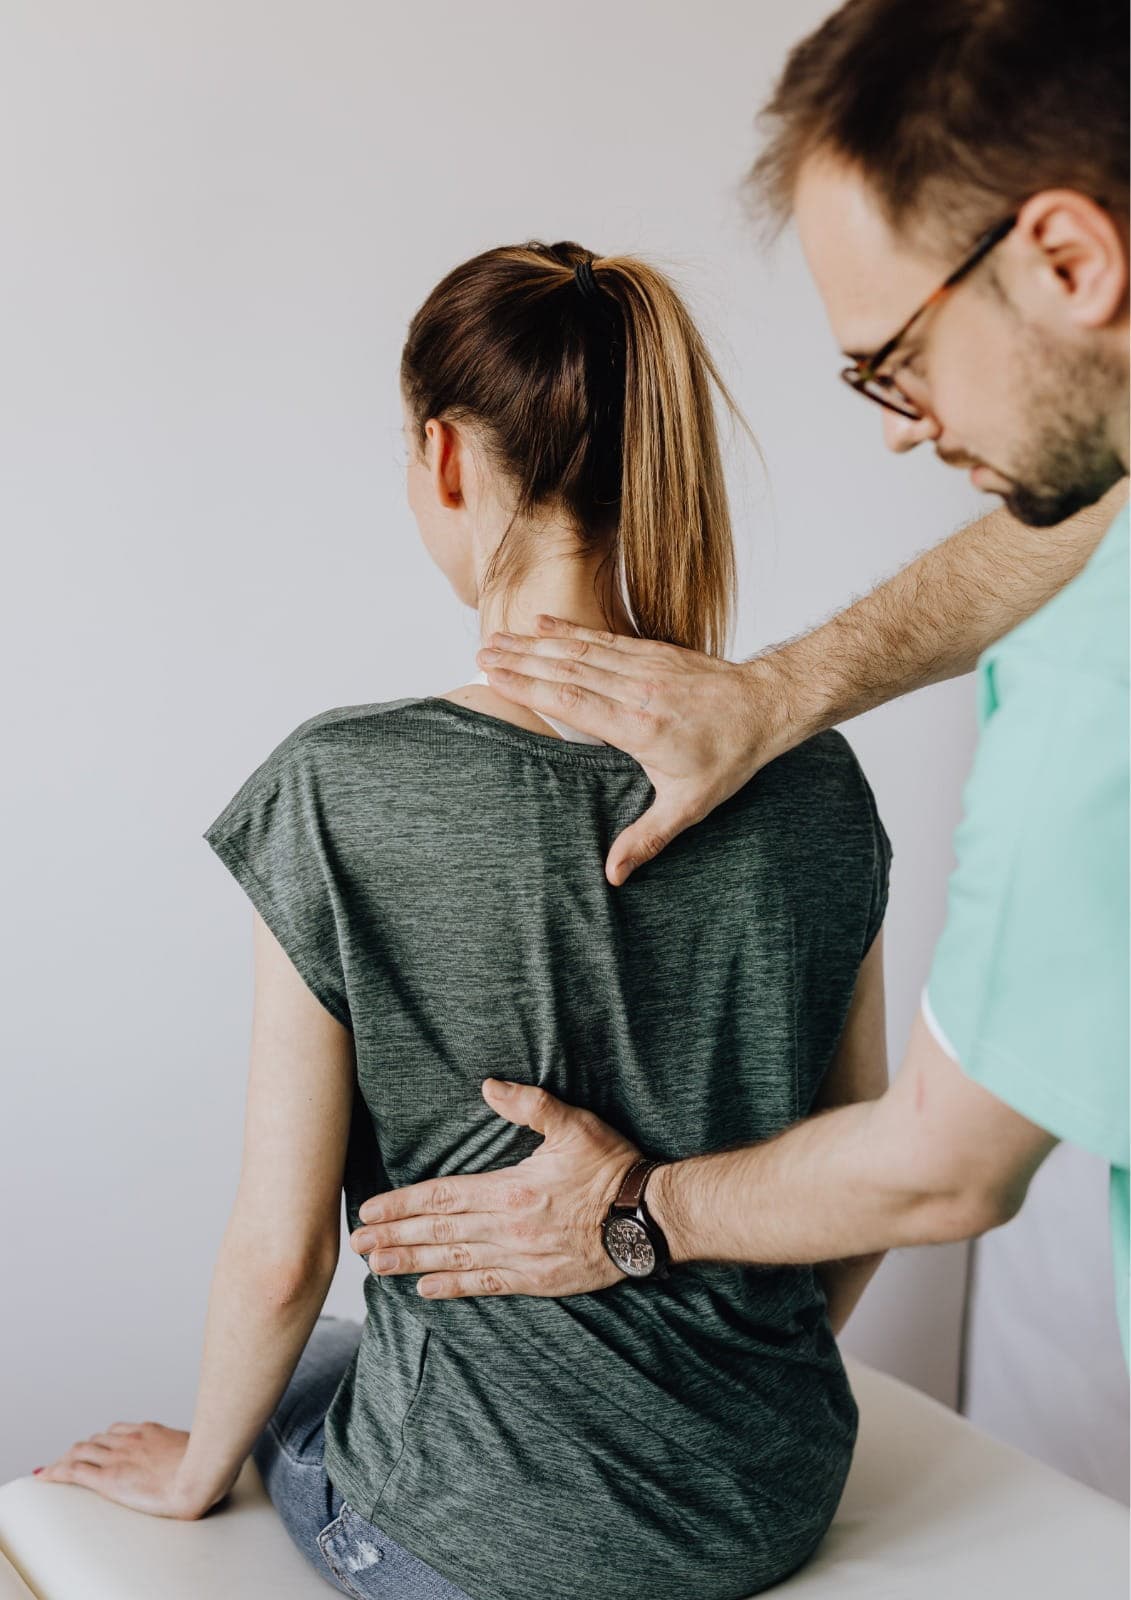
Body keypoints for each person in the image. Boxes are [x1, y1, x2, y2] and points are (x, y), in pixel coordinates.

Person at [34, 242, 897, 1600]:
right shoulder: (818, 779)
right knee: (339, 1359)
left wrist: (200, 1468)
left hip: (484, 1539)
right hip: (772, 1491)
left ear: (443, 458)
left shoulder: (341, 787)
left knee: (300, 1374)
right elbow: (860, 1183)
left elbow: (283, 1255)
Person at [347, 0, 1131, 1372]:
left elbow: (941, 1170)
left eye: (895, 362)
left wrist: (631, 1211)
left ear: (1069, 259)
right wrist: (782, 697)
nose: (904, 434)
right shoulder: (826, 782)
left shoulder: (1090, 680)